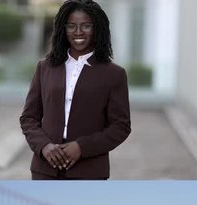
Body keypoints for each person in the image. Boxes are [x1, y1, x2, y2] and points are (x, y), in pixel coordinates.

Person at [20, 0, 131, 180]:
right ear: (63, 29)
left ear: (97, 29)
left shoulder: (114, 74)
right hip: (45, 170)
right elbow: (29, 118)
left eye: (86, 26)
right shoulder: (45, 67)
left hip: (89, 172)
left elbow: (120, 127)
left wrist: (81, 147)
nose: (78, 32)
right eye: (71, 26)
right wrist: (44, 146)